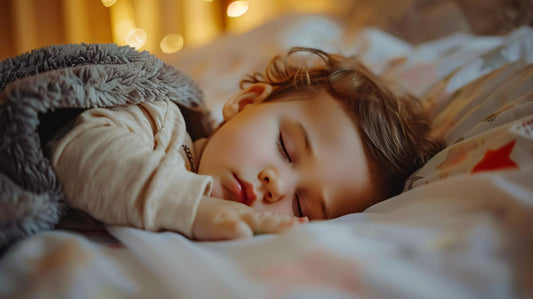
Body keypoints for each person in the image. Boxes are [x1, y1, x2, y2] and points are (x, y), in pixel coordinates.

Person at [47, 47, 443, 241]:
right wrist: (192, 208)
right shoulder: (157, 119)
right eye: (286, 149)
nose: (278, 185)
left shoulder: (240, 233)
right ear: (245, 103)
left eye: (302, 206)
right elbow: (79, 151)